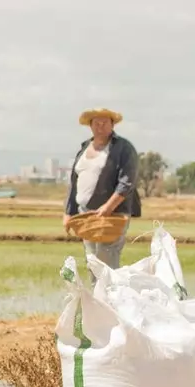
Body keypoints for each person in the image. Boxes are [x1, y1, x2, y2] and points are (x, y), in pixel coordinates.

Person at [63, 107, 142, 270]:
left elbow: (127, 182)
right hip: (86, 213)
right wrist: (68, 213)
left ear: (112, 125)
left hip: (113, 214)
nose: (100, 126)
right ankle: (97, 294)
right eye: (96, 123)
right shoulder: (84, 148)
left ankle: (108, 295)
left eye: (105, 123)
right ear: (90, 126)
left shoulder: (123, 148)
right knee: (92, 260)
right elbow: (74, 183)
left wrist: (108, 207)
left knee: (106, 259)